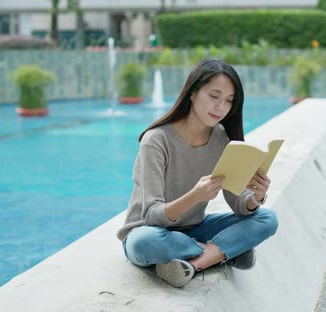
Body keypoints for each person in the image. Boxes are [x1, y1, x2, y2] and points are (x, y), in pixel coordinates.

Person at [116, 58, 279, 288]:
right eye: (214, 96)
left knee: (267, 218)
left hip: (195, 228)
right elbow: (152, 215)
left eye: (229, 101)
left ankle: (194, 263)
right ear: (192, 93)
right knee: (144, 242)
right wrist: (195, 196)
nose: (221, 107)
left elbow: (237, 203)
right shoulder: (156, 141)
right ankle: (221, 252)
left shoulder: (221, 138)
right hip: (152, 231)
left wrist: (255, 197)